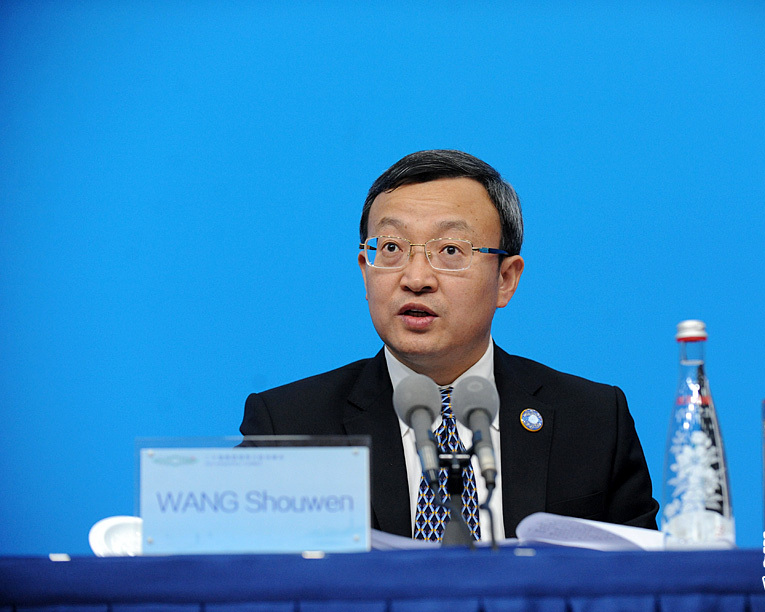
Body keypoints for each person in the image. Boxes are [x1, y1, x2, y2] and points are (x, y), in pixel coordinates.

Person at [241, 149, 659, 542]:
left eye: (450, 250)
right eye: (391, 248)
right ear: (365, 271)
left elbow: (645, 579)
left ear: (506, 279)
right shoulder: (290, 428)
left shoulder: (592, 422)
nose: (416, 278)